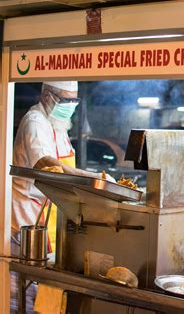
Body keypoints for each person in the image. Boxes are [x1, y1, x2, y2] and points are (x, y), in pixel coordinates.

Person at [11, 81, 113, 313]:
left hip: (51, 220)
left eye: (73, 101)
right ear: (47, 95)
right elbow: (45, 163)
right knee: (25, 295)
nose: (69, 107)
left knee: (45, 296)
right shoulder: (35, 122)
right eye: (65, 101)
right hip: (28, 226)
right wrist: (93, 178)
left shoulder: (59, 125)